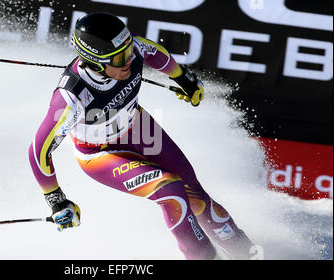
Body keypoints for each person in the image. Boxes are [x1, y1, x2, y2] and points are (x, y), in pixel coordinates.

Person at [29, 12, 254, 260]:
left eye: (128, 52)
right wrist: (56, 199)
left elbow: (156, 54)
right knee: (170, 189)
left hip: (138, 128)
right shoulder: (71, 98)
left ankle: (248, 253)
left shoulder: (130, 49)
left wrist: (183, 78)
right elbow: (39, 150)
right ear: (95, 63)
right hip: (99, 154)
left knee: (196, 195)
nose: (128, 60)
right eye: (119, 59)